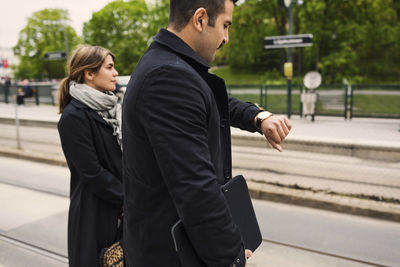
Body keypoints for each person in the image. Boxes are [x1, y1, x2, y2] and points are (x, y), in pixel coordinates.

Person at [122, 0, 292, 266]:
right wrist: (232, 258)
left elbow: (211, 99)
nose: (226, 38)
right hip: (171, 255)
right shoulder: (169, 77)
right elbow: (196, 189)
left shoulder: (167, 63)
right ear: (200, 19)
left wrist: (258, 118)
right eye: (225, 25)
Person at [57, 44, 124, 266]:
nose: (116, 73)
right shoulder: (73, 117)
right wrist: (131, 198)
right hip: (94, 216)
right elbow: (92, 173)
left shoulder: (114, 110)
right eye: (110, 67)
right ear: (89, 73)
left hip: (120, 210)